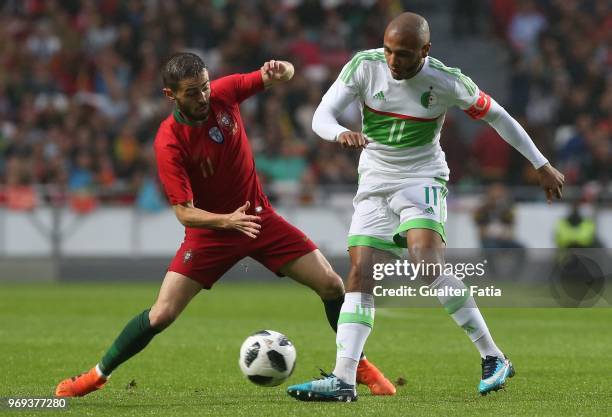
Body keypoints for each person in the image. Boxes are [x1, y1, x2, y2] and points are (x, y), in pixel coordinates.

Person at [54, 52, 394, 397]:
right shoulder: (169, 141)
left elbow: (283, 74)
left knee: (333, 286)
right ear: (170, 95)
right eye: (191, 92)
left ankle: (358, 367)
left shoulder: (223, 93)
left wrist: (281, 70)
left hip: (260, 220)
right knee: (161, 315)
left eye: (204, 87)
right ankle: (96, 376)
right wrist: (226, 220)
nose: (202, 97)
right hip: (210, 234)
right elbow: (184, 212)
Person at [287, 12, 564, 402]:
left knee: (425, 263)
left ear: (425, 51)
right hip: (375, 180)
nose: (393, 61)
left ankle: (493, 356)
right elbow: (321, 115)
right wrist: (340, 134)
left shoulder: (446, 80)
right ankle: (344, 379)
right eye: (388, 51)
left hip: (421, 177)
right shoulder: (365, 66)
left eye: (402, 54)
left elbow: (499, 118)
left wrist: (541, 163)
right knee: (359, 273)